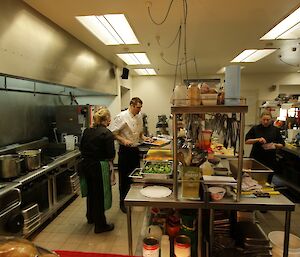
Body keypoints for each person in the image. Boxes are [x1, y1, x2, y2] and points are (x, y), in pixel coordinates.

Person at [110, 97, 152, 213]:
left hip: (135, 150)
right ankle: (122, 203)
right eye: (138, 107)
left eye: (140, 107)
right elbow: (114, 134)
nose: (139, 110)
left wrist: (144, 138)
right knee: (124, 178)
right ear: (132, 105)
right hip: (124, 151)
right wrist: (123, 141)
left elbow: (140, 133)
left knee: (136, 176)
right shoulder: (121, 117)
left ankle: (134, 199)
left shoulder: (139, 116)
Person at [79, 107, 115, 233]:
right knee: (99, 195)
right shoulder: (107, 134)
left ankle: (91, 217)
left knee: (91, 193)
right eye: (110, 118)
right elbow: (111, 154)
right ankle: (100, 225)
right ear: (106, 119)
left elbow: (81, 147)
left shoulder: (87, 131)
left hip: (85, 165)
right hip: (98, 167)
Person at [245, 111, 285, 182]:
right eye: (264, 120)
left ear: (271, 120)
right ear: (260, 119)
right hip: (256, 158)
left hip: (270, 160)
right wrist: (257, 140)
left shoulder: (275, 130)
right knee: (254, 180)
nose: (266, 122)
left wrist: (275, 145)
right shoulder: (255, 128)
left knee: (267, 181)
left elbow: (282, 144)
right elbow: (247, 141)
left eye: (268, 120)